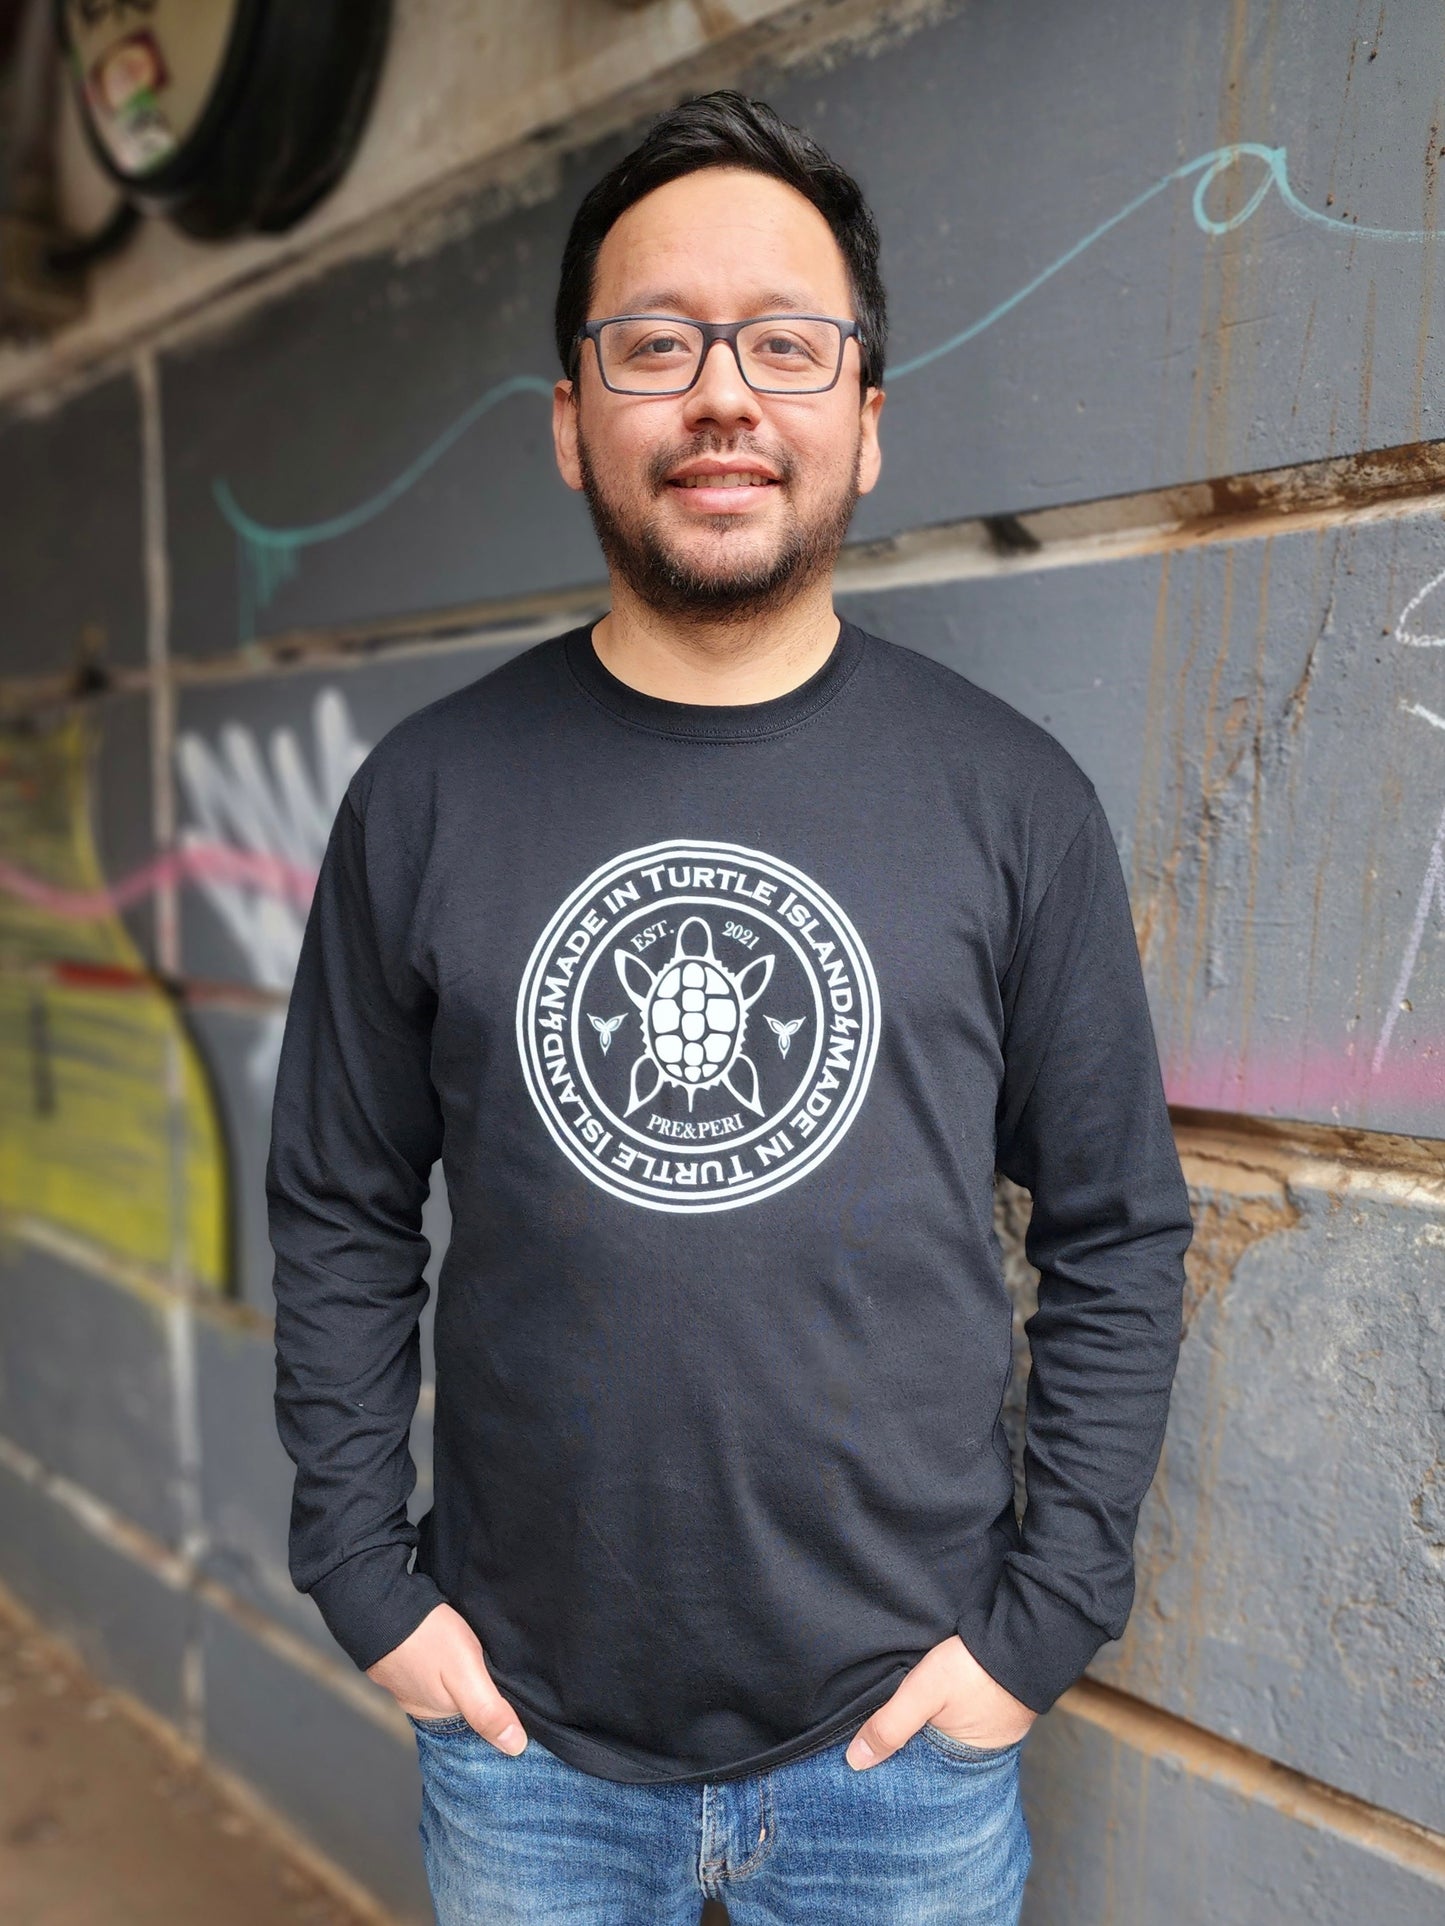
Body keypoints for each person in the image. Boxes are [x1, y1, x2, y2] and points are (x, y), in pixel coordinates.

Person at [267, 89, 1195, 1926]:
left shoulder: (1010, 801)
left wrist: (1036, 1631)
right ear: (570, 417)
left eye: (783, 342)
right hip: (524, 1747)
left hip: (898, 1754)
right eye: (653, 343)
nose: (719, 396)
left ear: (865, 416)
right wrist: (362, 1576)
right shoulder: (427, 797)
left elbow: (1115, 1226)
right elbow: (339, 1203)